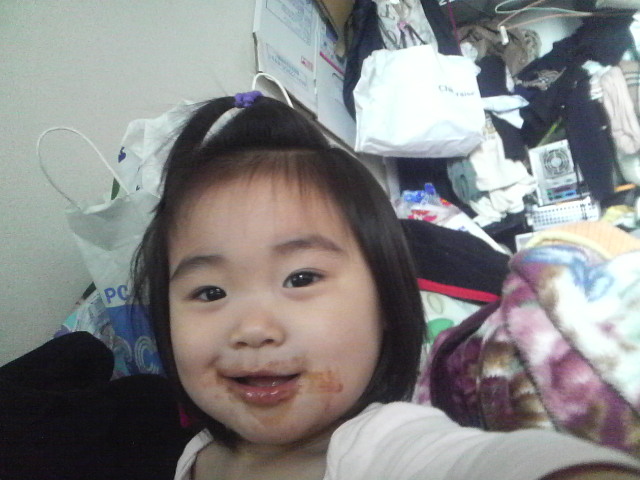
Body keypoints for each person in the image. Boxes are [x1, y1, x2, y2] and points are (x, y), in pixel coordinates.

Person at [131, 91, 640, 480]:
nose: (253, 329)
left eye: (301, 278)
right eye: (210, 293)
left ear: (385, 307)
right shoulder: (196, 453)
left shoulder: (380, 446)